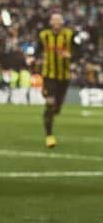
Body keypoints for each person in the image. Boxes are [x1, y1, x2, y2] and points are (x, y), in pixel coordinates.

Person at [35, 13, 75, 148]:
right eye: (54, 20)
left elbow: (79, 51)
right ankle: (49, 136)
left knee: (57, 108)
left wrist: (70, 55)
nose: (57, 22)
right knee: (50, 103)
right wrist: (32, 58)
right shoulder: (44, 36)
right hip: (49, 75)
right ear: (50, 22)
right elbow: (37, 50)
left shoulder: (70, 35)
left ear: (63, 22)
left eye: (59, 19)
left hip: (64, 77)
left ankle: (53, 105)